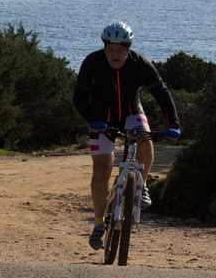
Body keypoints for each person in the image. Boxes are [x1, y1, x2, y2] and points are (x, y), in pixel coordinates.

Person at [73, 22, 181, 251]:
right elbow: (79, 97)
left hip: (131, 113)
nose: (116, 54)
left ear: (128, 49)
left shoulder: (139, 64)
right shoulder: (92, 63)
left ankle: (140, 187)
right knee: (102, 168)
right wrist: (92, 121)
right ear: (105, 48)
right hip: (100, 119)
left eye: (121, 50)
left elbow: (162, 92)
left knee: (146, 145)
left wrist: (173, 124)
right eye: (111, 48)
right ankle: (99, 224)